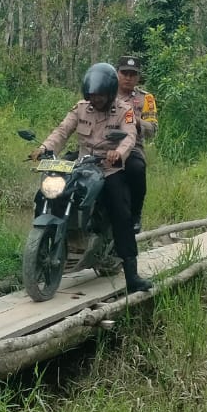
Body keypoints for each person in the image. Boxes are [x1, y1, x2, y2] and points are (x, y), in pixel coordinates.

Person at [30, 62, 153, 293]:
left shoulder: (125, 110)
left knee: (121, 215)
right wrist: (44, 147)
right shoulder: (80, 108)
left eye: (100, 96)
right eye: (92, 95)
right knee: (54, 190)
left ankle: (132, 275)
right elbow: (62, 130)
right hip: (82, 163)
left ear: (110, 93)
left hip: (109, 168)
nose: (95, 100)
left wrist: (119, 153)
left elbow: (129, 136)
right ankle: (49, 244)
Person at [115, 55, 157, 233]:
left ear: (138, 77)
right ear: (117, 73)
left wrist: (136, 121)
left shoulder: (146, 99)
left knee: (137, 169)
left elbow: (153, 129)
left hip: (133, 147)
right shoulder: (105, 92)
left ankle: (135, 215)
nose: (128, 77)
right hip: (101, 144)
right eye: (125, 72)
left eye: (133, 74)